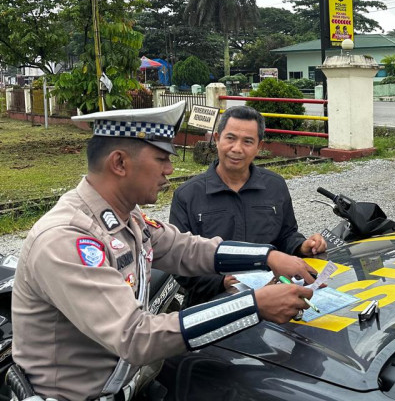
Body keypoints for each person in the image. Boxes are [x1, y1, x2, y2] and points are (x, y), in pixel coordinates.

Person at [11, 101, 316, 401]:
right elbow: (136, 337)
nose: (170, 169)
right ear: (119, 163)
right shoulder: (65, 239)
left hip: (128, 385)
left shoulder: (126, 218)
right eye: (161, 159)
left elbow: (186, 248)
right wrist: (254, 305)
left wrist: (268, 256)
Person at [170, 105, 328, 306]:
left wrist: (302, 245)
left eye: (247, 141)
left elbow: (286, 234)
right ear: (217, 139)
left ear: (259, 146)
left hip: (271, 299)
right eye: (230, 138)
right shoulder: (187, 195)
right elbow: (179, 263)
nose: (237, 148)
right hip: (209, 307)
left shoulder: (275, 186)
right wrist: (222, 282)